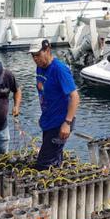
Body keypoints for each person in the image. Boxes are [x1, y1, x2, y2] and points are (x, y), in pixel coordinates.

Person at [29, 39, 80, 170]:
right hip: (48, 121)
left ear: (47, 50)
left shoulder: (59, 69)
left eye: (38, 55)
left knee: (43, 165)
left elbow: (75, 97)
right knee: (53, 162)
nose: (35, 59)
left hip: (60, 124)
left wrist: (67, 123)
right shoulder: (40, 67)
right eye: (33, 56)